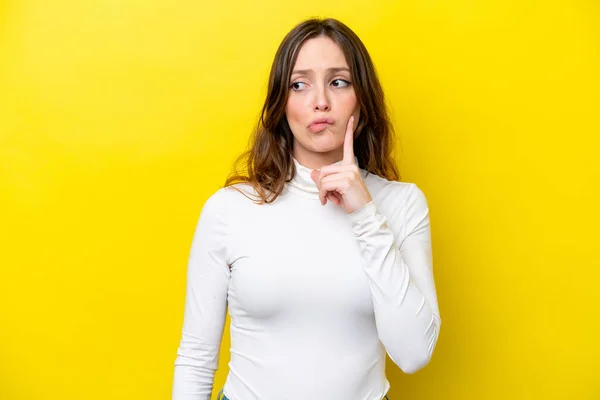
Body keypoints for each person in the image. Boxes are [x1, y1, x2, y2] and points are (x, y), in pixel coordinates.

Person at [172, 17, 442, 400]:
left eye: (338, 82)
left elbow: (414, 353)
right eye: (300, 85)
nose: (321, 101)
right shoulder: (230, 210)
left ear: (361, 99)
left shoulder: (401, 203)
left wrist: (365, 214)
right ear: (281, 104)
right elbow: (196, 357)